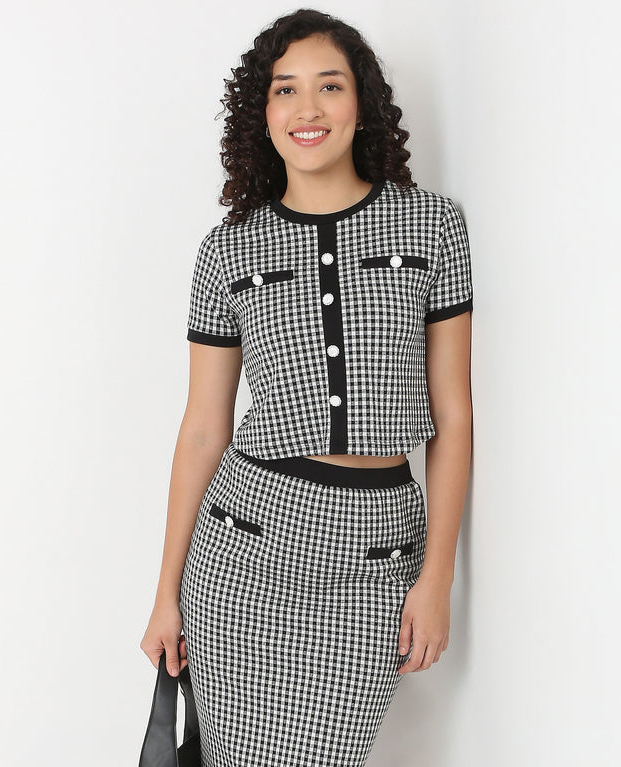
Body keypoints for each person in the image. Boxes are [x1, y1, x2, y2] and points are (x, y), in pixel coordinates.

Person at [140, 7, 473, 764]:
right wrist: (166, 593)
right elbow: (203, 428)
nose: (308, 109)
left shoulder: (431, 227)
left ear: (362, 102)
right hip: (242, 554)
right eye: (284, 90)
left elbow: (452, 417)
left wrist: (437, 577)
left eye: (330, 85)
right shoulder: (228, 249)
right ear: (261, 115)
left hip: (375, 558)